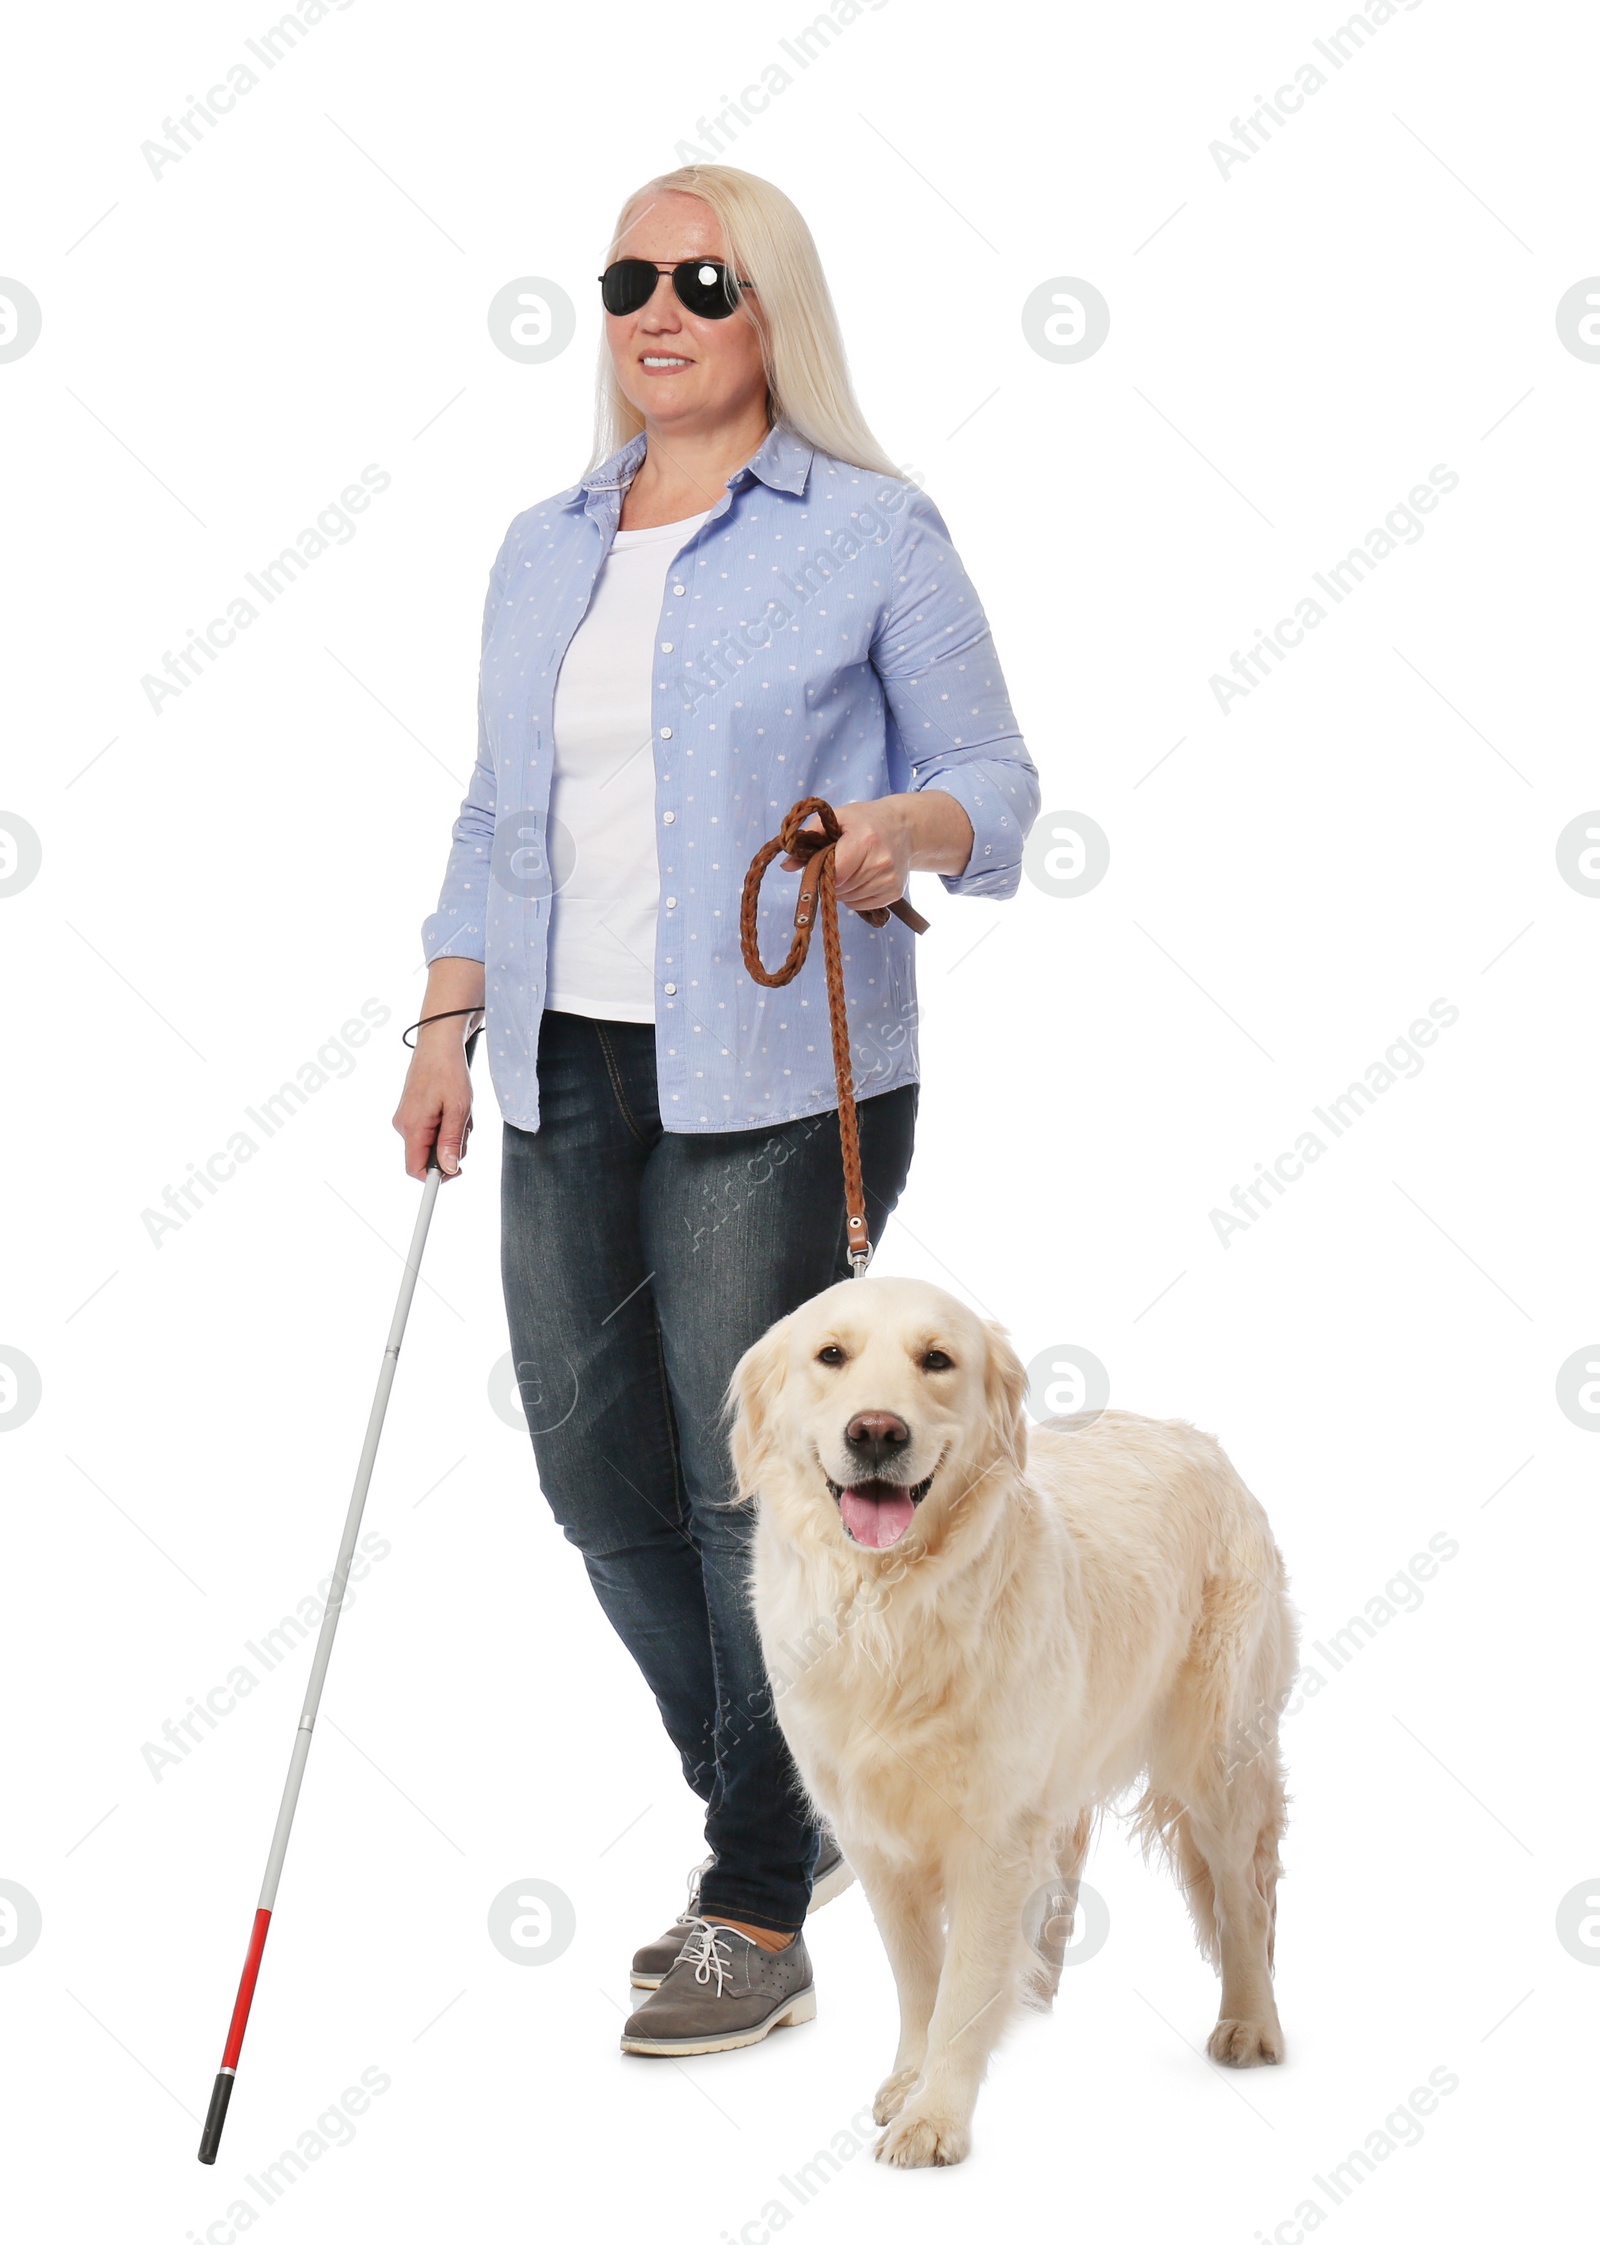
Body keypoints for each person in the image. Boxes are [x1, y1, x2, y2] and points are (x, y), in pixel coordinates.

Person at [393, 162, 1038, 2058]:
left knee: (734, 1476)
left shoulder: (874, 532)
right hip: (559, 1063)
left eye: (704, 277)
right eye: (626, 278)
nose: (656, 308)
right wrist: (446, 1018)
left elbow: (993, 782)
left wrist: (898, 831)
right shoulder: (544, 542)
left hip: (777, 1063)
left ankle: (753, 1884)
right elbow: (498, 810)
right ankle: (815, 1801)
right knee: (593, 1476)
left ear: (775, 315)